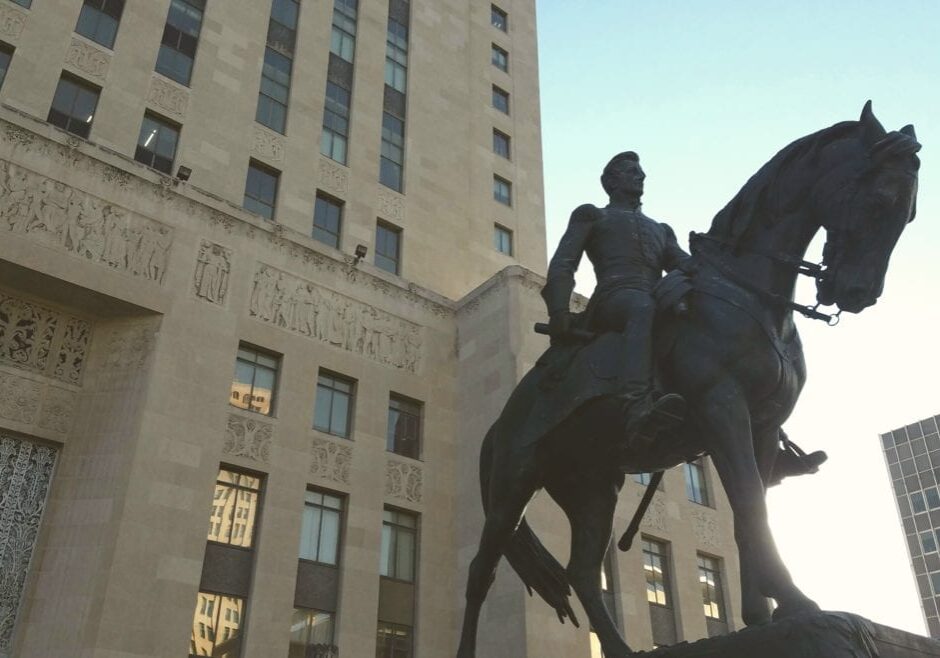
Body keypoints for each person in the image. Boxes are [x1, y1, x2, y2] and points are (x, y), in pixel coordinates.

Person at [542, 151, 687, 445]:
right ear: (611, 181)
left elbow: (685, 265)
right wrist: (558, 311)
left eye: (641, 171)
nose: (641, 176)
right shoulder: (593, 215)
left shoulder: (661, 230)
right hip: (614, 298)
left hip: (656, 295)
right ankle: (636, 405)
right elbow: (563, 263)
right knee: (641, 307)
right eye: (631, 171)